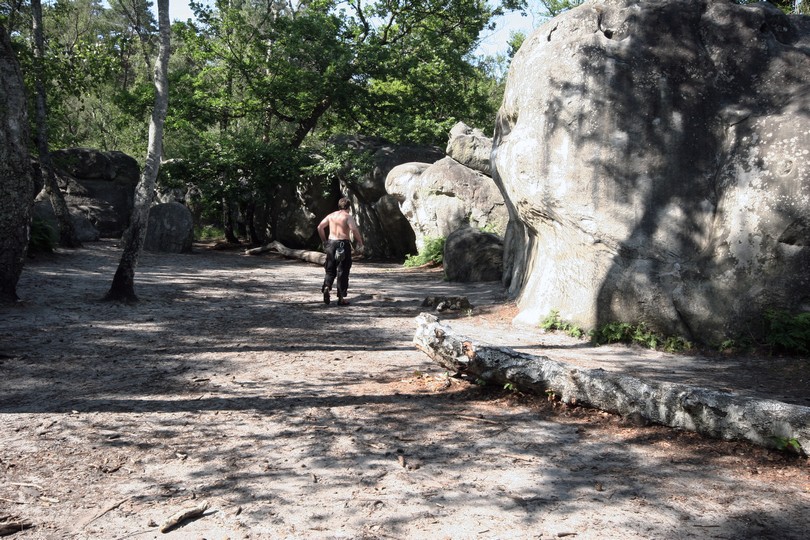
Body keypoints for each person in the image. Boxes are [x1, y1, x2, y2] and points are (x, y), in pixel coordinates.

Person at [317, 197, 364, 306]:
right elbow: (353, 229)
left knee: (330, 269)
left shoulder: (331, 215)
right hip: (343, 244)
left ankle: (327, 287)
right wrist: (360, 242)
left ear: (339, 206)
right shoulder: (347, 216)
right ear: (349, 207)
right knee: (343, 271)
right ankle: (341, 298)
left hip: (331, 243)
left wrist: (325, 241)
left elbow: (320, 227)